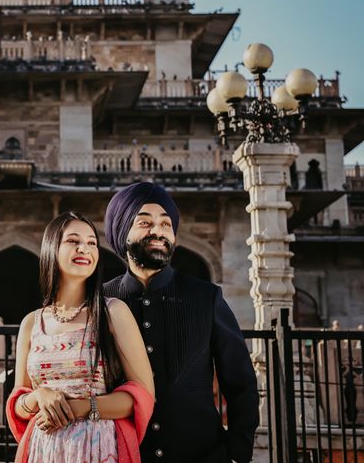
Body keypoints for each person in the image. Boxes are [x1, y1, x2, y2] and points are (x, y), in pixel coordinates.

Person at [102, 182, 259, 462]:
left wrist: (237, 452)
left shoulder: (205, 297)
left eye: (166, 224)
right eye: (144, 222)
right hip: (121, 454)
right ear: (121, 231)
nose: (158, 231)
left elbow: (240, 382)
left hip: (203, 455)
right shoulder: (102, 300)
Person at [6, 212, 155, 463]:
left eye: (92, 243)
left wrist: (82, 407)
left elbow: (141, 396)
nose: (84, 249)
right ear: (52, 248)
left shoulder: (112, 313)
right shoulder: (32, 323)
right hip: (45, 450)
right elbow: (18, 403)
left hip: (97, 448)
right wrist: (38, 396)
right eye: (73, 241)